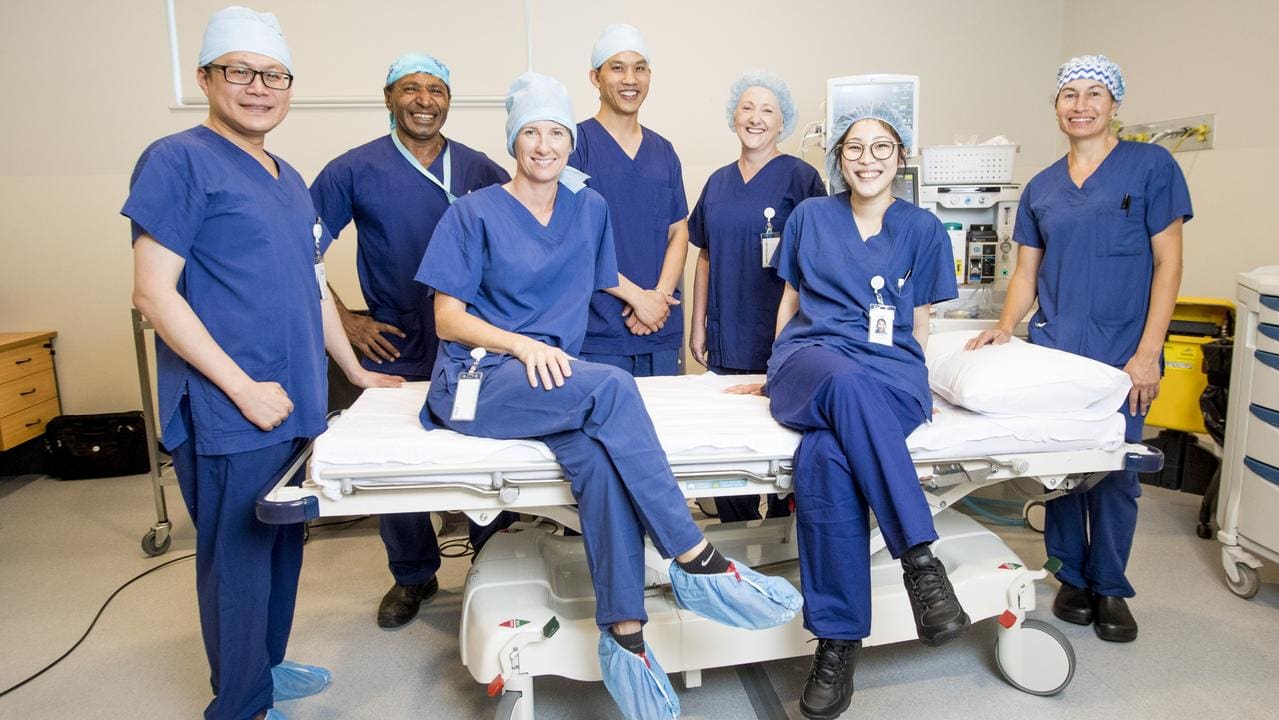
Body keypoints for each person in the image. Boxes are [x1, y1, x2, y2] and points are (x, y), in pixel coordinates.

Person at [415, 71, 802, 720]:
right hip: (479, 379)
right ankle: (693, 555)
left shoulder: (588, 209)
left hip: (547, 380)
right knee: (615, 386)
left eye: (556, 133)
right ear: (513, 140)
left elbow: (598, 282)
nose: (544, 145)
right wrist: (522, 345)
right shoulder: (473, 213)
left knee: (599, 463)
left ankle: (625, 636)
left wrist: (648, 303)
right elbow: (448, 318)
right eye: (531, 132)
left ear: (571, 143)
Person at [124, 7, 401, 720]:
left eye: (274, 76)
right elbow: (153, 294)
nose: (258, 88)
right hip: (232, 405)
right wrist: (243, 388)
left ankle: (266, 668)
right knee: (239, 558)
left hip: (295, 398)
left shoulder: (287, 175)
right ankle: (240, 704)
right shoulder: (177, 160)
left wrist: (354, 372)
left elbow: (311, 284)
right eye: (240, 72)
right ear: (205, 78)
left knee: (282, 542)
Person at [732, 106, 971, 720]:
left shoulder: (923, 228)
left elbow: (919, 322)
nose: (868, 159)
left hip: (888, 371)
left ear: (901, 156)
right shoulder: (811, 217)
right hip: (811, 361)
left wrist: (920, 380)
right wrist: (773, 372)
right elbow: (790, 300)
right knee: (842, 379)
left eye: (881, 147)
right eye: (855, 148)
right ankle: (921, 561)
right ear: (839, 158)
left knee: (828, 455)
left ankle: (837, 643)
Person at [967, 54, 1191, 643]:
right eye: (1070, 94)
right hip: (1057, 351)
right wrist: (1006, 327)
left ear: (1115, 104)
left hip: (1124, 351)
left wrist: (1149, 353)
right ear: (1056, 107)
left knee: (1116, 473)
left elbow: (1169, 265)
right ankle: (1069, 575)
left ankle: (1110, 584)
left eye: (1095, 94)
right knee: (1063, 469)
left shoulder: (1151, 167)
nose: (1081, 105)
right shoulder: (1042, 187)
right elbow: (1025, 272)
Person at [310, 53, 514, 630]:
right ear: (388, 97)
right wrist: (348, 321)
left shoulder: (478, 168)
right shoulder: (353, 170)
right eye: (410, 88)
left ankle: (496, 563)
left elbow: (520, 241)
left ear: (449, 99)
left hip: (470, 339)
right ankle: (412, 573)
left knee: (485, 452)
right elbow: (302, 251)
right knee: (395, 460)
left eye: (436, 89)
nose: (424, 100)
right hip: (396, 336)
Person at [687, 71, 824, 523]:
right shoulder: (718, 183)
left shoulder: (802, 179)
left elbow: (818, 263)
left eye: (768, 110)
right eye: (747, 108)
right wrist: (698, 325)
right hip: (727, 335)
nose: (755, 118)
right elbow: (705, 255)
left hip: (783, 337)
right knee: (729, 455)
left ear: (783, 122)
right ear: (733, 116)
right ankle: (738, 538)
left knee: (783, 449)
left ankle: (783, 536)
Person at [569, 24, 688, 377]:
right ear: (595, 77)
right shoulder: (575, 146)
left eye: (640, 68)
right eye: (617, 68)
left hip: (659, 329)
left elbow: (678, 231)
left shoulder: (663, 151)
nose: (630, 79)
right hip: (598, 331)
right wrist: (638, 299)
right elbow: (571, 241)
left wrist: (658, 298)